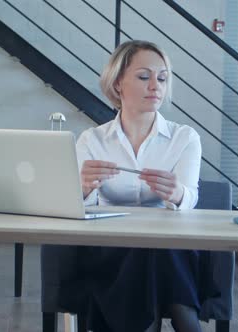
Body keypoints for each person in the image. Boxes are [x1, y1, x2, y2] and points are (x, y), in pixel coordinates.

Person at [73, 40, 208, 332]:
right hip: (111, 250)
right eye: (144, 76)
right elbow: (76, 205)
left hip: (171, 249)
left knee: (157, 247)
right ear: (118, 83)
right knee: (145, 250)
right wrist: (82, 188)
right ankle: (188, 324)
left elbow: (190, 198)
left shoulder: (184, 138)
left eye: (162, 78)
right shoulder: (91, 140)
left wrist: (177, 193)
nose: (156, 86)